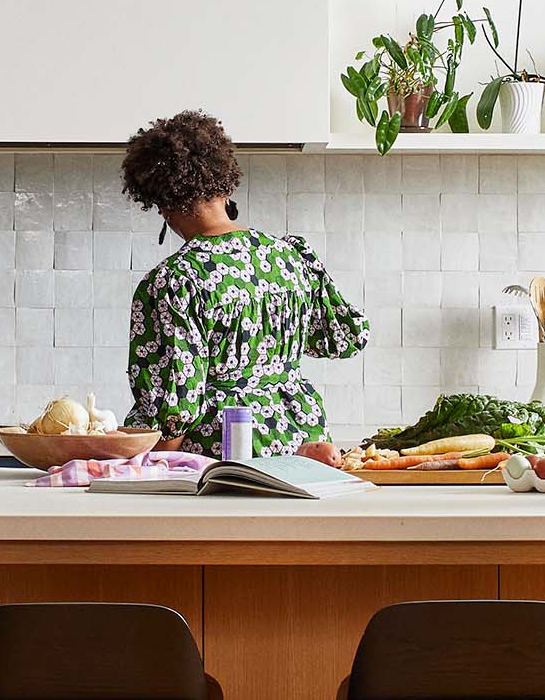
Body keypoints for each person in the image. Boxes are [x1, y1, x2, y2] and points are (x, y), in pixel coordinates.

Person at [118, 109, 368, 455]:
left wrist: (151, 469)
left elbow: (175, 408)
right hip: (305, 443)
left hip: (225, 456)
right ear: (225, 185)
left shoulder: (175, 281)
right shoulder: (293, 257)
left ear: (162, 204)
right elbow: (343, 337)